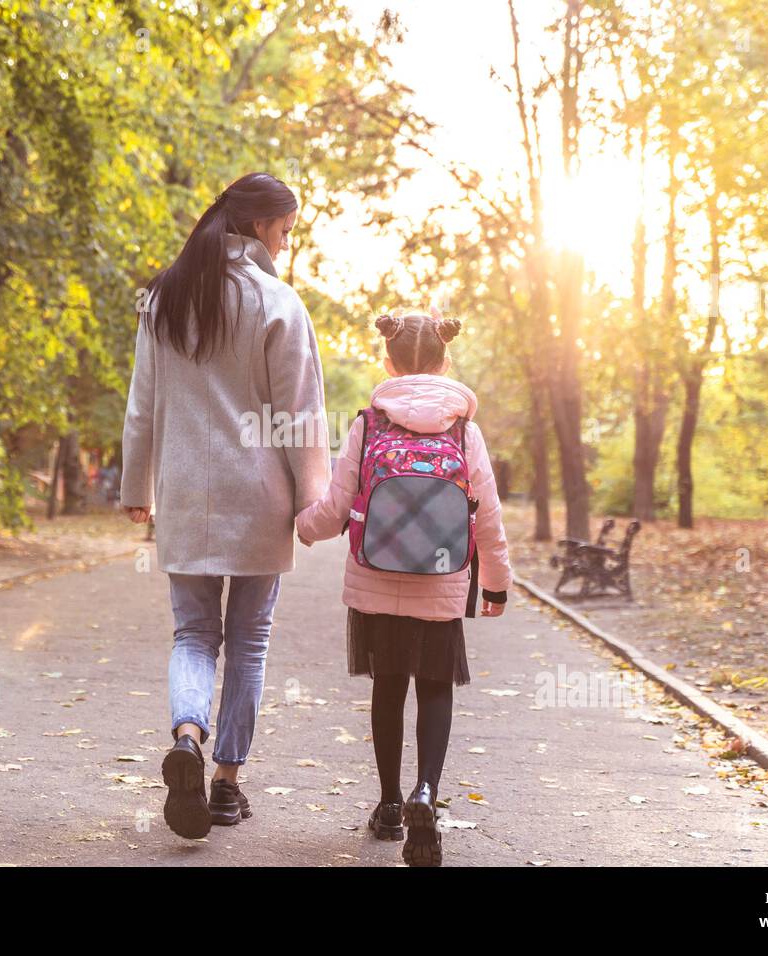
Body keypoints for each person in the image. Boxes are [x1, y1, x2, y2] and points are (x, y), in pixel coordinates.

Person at [120, 172, 329, 839]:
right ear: (265, 228)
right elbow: (300, 416)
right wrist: (313, 502)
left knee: (192, 634)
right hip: (260, 498)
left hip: (183, 494)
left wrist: (136, 488)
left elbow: (142, 406)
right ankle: (227, 784)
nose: (287, 244)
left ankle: (187, 735)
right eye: (287, 231)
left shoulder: (163, 299)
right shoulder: (277, 302)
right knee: (249, 639)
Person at [295, 310, 512, 867]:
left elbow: (338, 505)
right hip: (443, 582)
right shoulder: (465, 431)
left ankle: (390, 804)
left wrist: (301, 526)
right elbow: (485, 516)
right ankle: (426, 796)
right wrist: (496, 585)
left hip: (375, 579)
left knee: (388, 688)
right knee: (436, 687)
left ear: (388, 362)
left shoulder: (370, 424)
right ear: (445, 362)